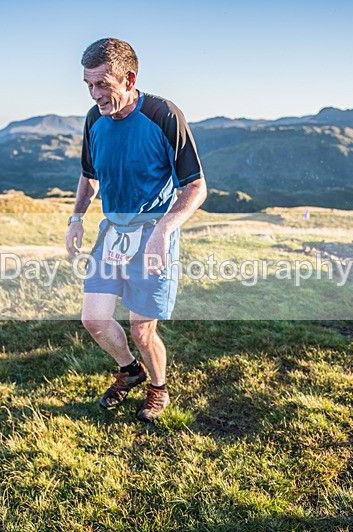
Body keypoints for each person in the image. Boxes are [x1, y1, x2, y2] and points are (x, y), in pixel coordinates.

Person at [65, 38, 207, 422]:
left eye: (102, 85)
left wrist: (164, 230)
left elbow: (196, 186)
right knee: (94, 319)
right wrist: (76, 218)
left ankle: (158, 388)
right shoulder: (95, 119)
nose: (95, 95)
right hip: (112, 232)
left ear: (129, 79)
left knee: (142, 329)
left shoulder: (163, 115)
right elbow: (89, 175)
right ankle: (130, 371)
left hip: (153, 232)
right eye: (89, 85)